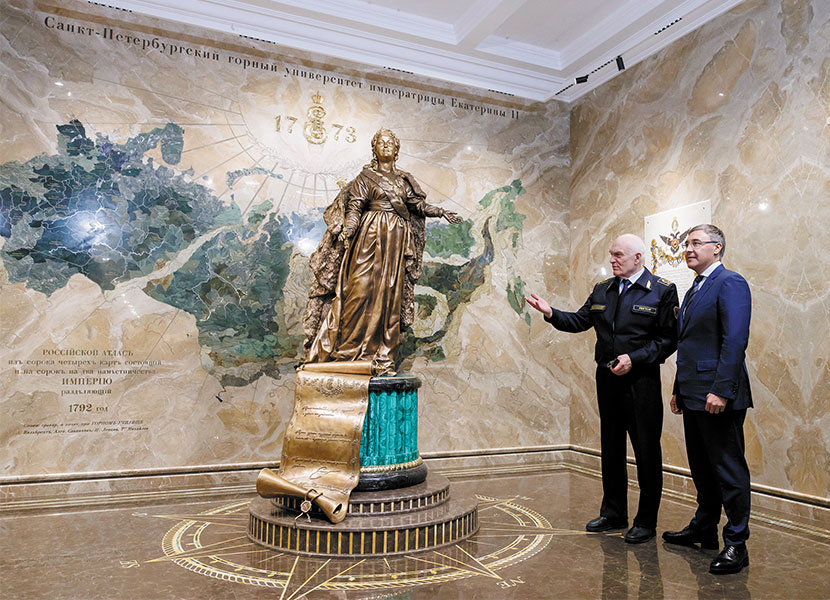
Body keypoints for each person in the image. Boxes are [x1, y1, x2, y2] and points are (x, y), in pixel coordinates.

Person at [526, 234, 678, 543]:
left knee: (646, 451)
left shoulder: (661, 290)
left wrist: (634, 359)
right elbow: (580, 321)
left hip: (641, 382)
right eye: (611, 254)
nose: (612, 260)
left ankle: (646, 521)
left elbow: (668, 340)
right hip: (607, 379)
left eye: (618, 255)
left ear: (637, 258)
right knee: (611, 448)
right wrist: (551, 312)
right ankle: (613, 513)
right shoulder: (603, 290)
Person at [303, 128, 461, 372]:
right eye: (381, 143)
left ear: (396, 150)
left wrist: (441, 212)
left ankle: (378, 353)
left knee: (388, 296)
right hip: (368, 238)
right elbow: (355, 208)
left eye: (390, 143)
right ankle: (345, 351)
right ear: (374, 149)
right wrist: (348, 230)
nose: (386, 146)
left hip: (394, 243)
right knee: (357, 290)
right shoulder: (365, 178)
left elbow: (417, 206)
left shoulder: (403, 181)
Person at [663, 224, 753, 575]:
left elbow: (735, 340)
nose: (688, 249)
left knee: (728, 470)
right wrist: (679, 388)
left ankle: (736, 544)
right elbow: (690, 344)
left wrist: (721, 390)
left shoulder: (730, 282)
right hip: (693, 394)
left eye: (696, 243)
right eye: (686, 244)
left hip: (718, 395)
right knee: (701, 468)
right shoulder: (693, 289)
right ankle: (704, 527)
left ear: (717, 248)